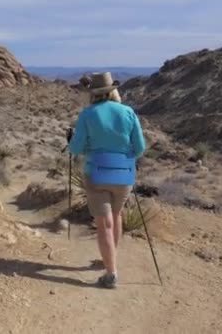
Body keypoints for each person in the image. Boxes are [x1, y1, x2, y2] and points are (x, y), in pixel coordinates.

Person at [67, 72, 147, 289]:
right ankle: (110, 259)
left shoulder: (87, 114)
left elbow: (75, 149)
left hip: (97, 173)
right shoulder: (128, 112)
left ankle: (110, 273)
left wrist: (73, 140)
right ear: (113, 91)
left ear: (93, 94)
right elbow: (140, 148)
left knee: (103, 223)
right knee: (116, 215)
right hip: (124, 174)